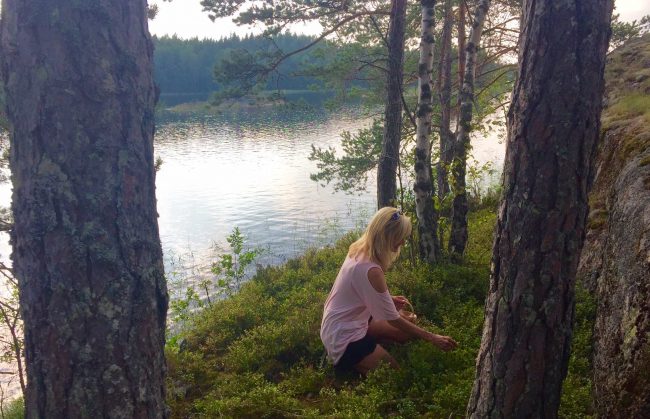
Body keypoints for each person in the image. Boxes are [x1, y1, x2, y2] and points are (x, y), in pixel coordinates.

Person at [320, 207, 458, 375]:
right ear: (387, 237)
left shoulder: (358, 249)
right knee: (394, 372)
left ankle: (370, 344)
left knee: (407, 329)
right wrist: (432, 338)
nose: (402, 243)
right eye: (400, 238)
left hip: (340, 323)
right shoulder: (372, 270)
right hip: (343, 338)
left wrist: (388, 299)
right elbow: (392, 318)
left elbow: (357, 290)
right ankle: (350, 359)